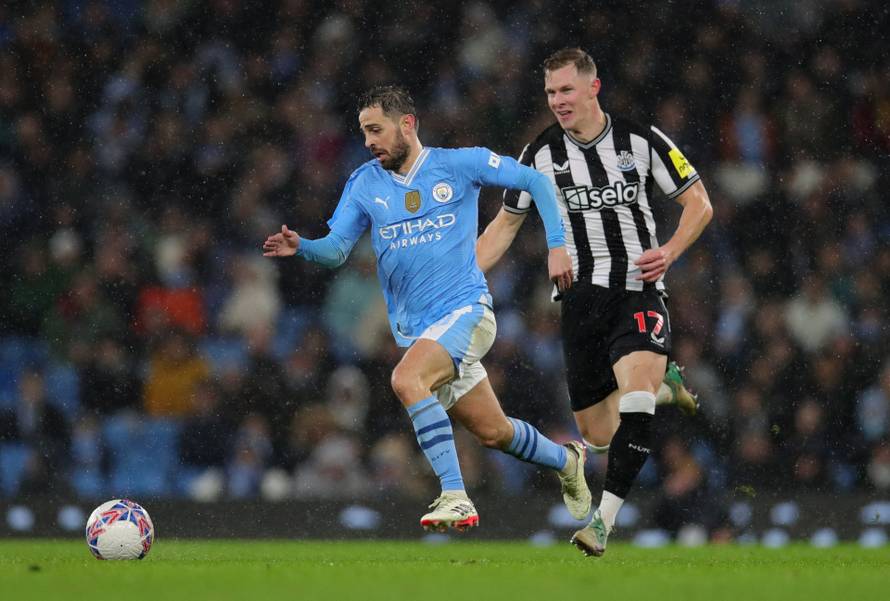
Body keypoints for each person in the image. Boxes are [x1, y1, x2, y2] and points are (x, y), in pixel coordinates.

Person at [263, 85, 590, 531]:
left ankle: (455, 495)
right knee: (495, 432)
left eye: (375, 130)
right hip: (420, 333)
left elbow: (534, 180)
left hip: (466, 311)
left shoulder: (459, 165)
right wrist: (303, 247)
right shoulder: (364, 183)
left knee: (406, 378)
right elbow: (337, 249)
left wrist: (557, 247)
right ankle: (566, 460)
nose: (368, 141)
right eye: (363, 132)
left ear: (407, 124)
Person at [476, 48, 713, 556]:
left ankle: (602, 523)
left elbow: (700, 202)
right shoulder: (538, 154)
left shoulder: (641, 140)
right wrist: (457, 279)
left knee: (634, 398)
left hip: (637, 291)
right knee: (599, 433)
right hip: (580, 303)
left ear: (592, 88)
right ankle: (666, 388)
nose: (557, 101)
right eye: (549, 93)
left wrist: (669, 251)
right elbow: (503, 227)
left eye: (565, 90)